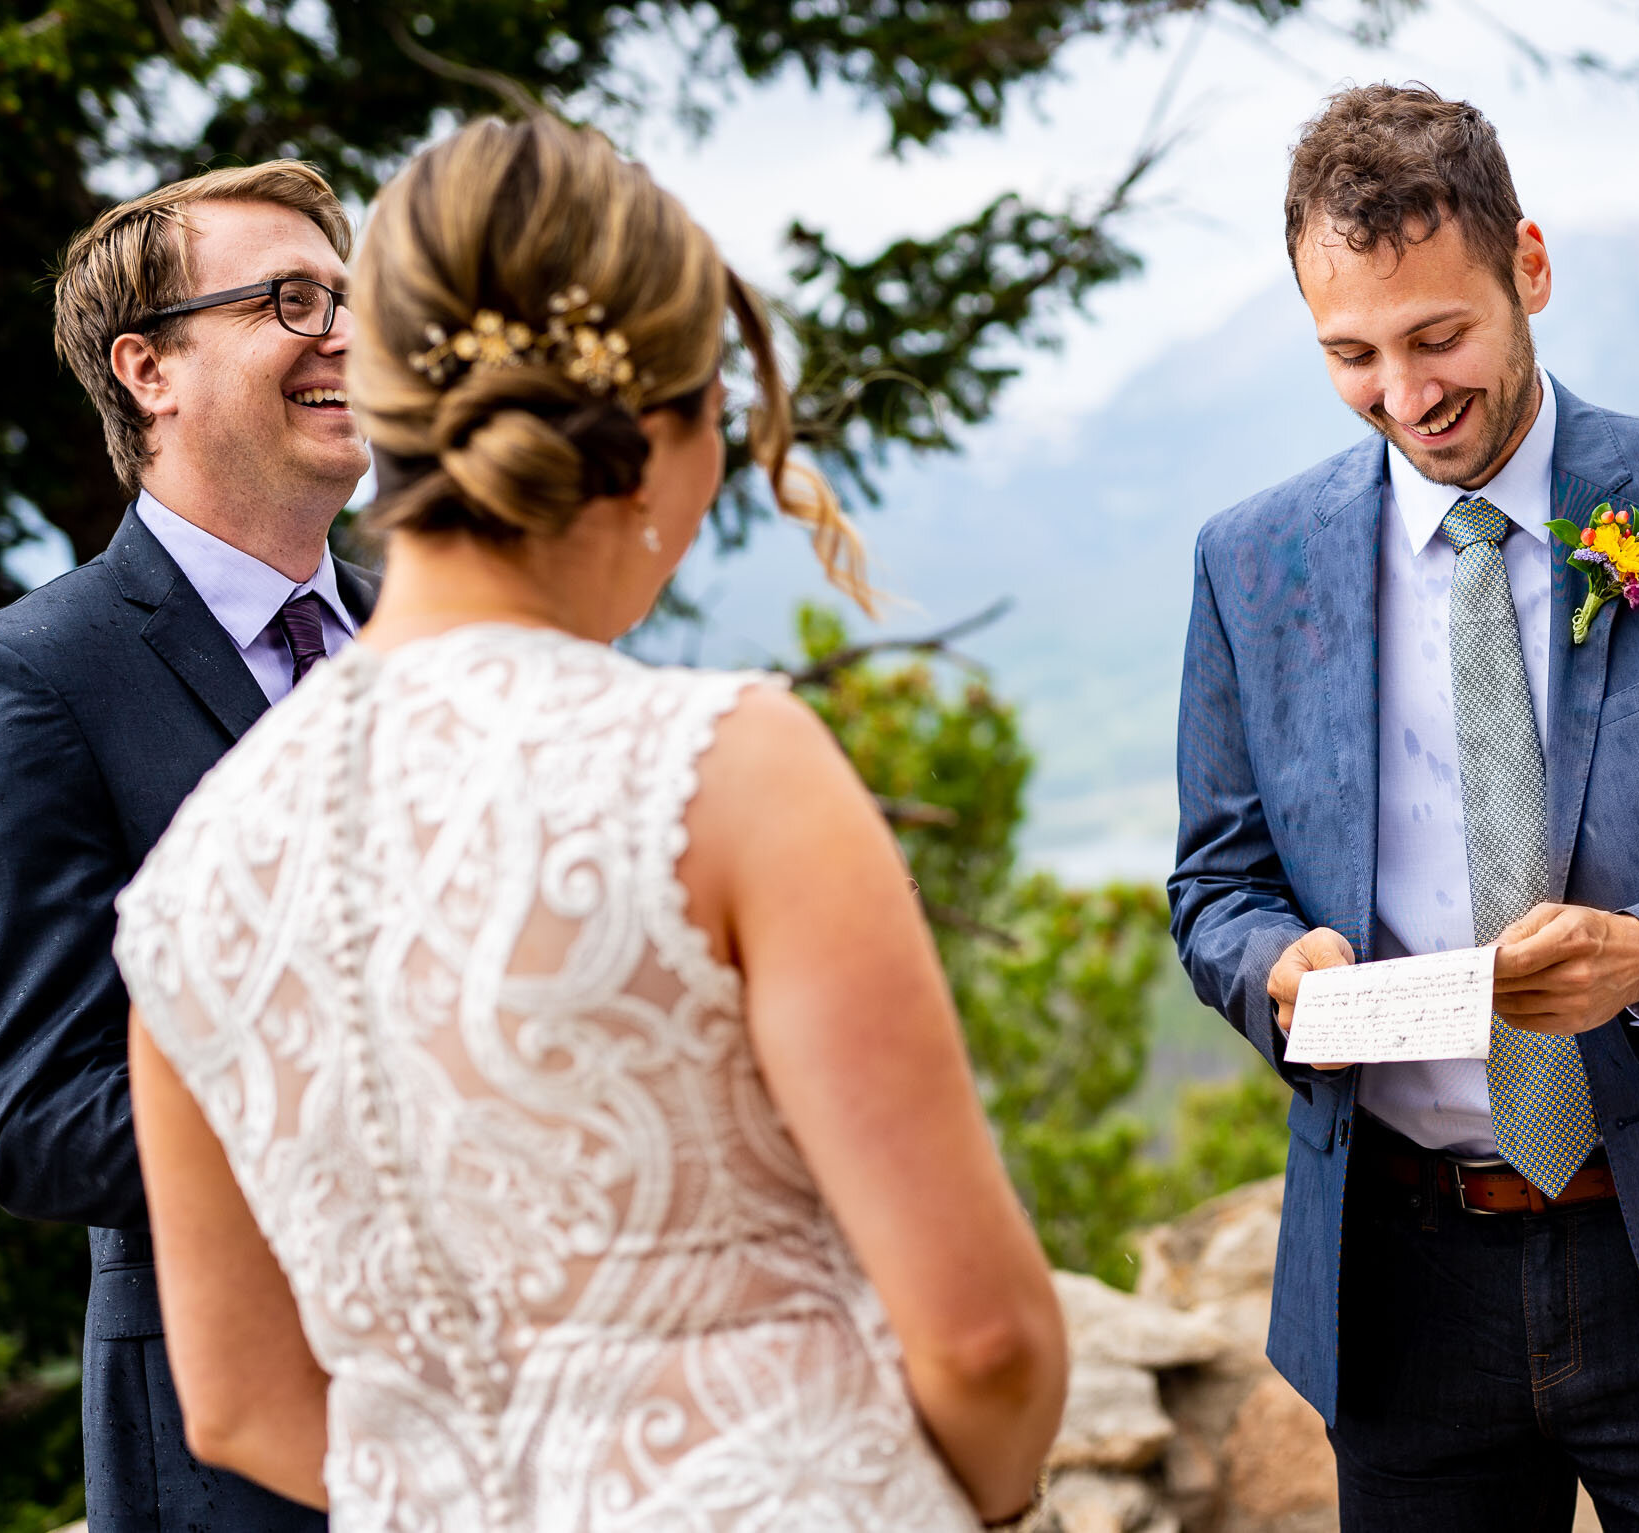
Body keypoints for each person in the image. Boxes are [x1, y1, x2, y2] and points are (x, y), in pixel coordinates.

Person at [109, 114, 1067, 1530]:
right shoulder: (722, 764)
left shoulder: (190, 880)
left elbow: (238, 1403)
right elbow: (985, 1344)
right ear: (655, 436)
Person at [1168, 84, 1639, 1531]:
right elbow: (1216, 878)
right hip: (1400, 1276)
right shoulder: (1248, 564)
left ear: (1531, 268)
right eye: (1352, 355)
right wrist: (1273, 965)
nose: (1405, 393)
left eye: (1438, 336)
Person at [0, 158, 379, 1531]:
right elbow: (33, 1111)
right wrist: (393, 1124)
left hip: (513, 1399)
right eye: (289, 299)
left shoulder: (436, 641)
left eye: (350, 296)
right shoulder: (36, 675)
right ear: (147, 369)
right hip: (228, 1460)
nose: (344, 332)